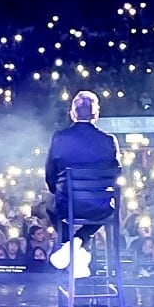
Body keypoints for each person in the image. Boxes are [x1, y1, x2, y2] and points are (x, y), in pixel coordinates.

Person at [44, 90, 121, 279]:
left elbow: (50, 175)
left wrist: (59, 193)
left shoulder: (59, 138)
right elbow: (117, 174)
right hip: (99, 206)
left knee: (47, 203)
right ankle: (79, 241)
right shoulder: (109, 140)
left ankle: (68, 244)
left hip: (67, 204)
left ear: (72, 113)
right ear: (96, 114)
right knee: (108, 209)